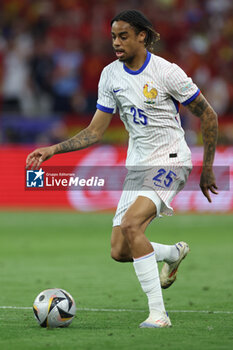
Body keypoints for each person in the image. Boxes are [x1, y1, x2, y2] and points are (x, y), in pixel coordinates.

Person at [26, 10, 218, 328]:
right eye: (113, 36)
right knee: (119, 250)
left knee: (132, 225)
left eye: (123, 36)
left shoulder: (167, 72)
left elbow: (208, 115)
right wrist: (53, 150)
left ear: (142, 36)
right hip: (137, 168)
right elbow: (94, 131)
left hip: (171, 159)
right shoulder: (109, 76)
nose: (116, 42)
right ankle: (171, 253)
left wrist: (207, 168)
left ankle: (159, 315)